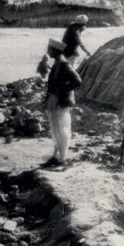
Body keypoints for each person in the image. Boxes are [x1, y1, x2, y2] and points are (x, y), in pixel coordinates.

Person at [42, 39, 83, 169]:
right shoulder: (59, 63)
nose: (48, 51)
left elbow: (77, 80)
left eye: (50, 49)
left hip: (60, 101)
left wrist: (62, 91)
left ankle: (62, 158)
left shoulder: (64, 64)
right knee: (56, 128)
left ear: (55, 51)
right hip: (56, 100)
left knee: (61, 128)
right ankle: (56, 156)